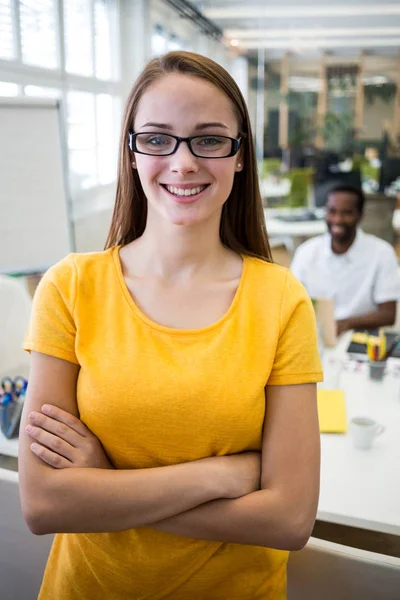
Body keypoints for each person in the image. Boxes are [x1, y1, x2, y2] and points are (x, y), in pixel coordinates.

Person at [19, 51, 323, 600]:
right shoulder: (69, 288)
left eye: (208, 139)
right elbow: (44, 505)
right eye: (158, 138)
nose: (182, 163)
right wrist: (222, 476)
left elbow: (289, 520)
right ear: (132, 153)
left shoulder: (281, 299)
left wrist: (104, 488)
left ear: (238, 157)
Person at [291, 184, 400, 335]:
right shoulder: (306, 253)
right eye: (332, 211)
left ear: (360, 216)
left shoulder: (381, 253)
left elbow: (388, 315)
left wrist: (346, 324)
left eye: (346, 213)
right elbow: (292, 306)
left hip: (362, 338)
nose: (337, 219)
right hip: (316, 337)